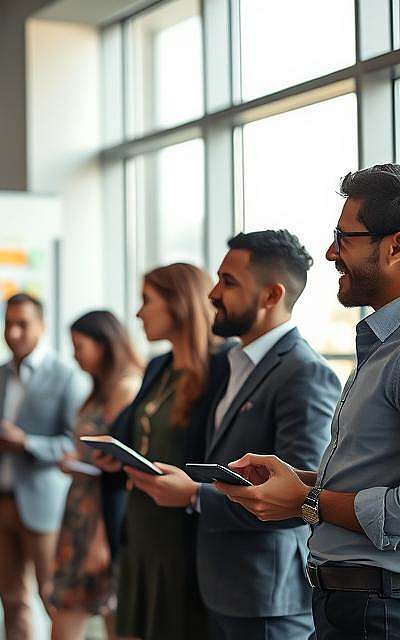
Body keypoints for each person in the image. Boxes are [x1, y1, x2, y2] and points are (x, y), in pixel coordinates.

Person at [218, 164, 400, 639]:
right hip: (347, 601)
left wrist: (308, 501)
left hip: (378, 607)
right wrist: (303, 482)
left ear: (395, 246)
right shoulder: (380, 344)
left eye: (344, 237)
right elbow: (376, 475)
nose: (330, 252)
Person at [127, 232, 338, 640]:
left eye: (229, 282)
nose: (212, 293)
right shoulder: (234, 363)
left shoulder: (304, 373)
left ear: (271, 296)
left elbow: (295, 498)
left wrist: (192, 494)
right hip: (221, 585)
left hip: (265, 597)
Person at [94, 263, 224, 640]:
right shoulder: (158, 367)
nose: (137, 313)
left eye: (146, 301)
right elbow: (131, 434)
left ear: (179, 303)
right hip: (140, 528)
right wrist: (113, 457)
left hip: (183, 536)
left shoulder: (221, 369)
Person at [0, 292, 87, 640]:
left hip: (43, 505)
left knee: (50, 596)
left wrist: (26, 442)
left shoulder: (65, 375)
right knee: (11, 601)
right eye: (9, 324)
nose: (15, 332)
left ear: (42, 326)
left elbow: (75, 445)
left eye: (23, 324)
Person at [49, 310, 143, 640]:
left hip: (102, 512)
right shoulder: (99, 388)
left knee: (108, 612)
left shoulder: (125, 387)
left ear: (104, 344)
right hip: (81, 506)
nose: (75, 356)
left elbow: (117, 469)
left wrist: (100, 537)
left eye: (79, 346)